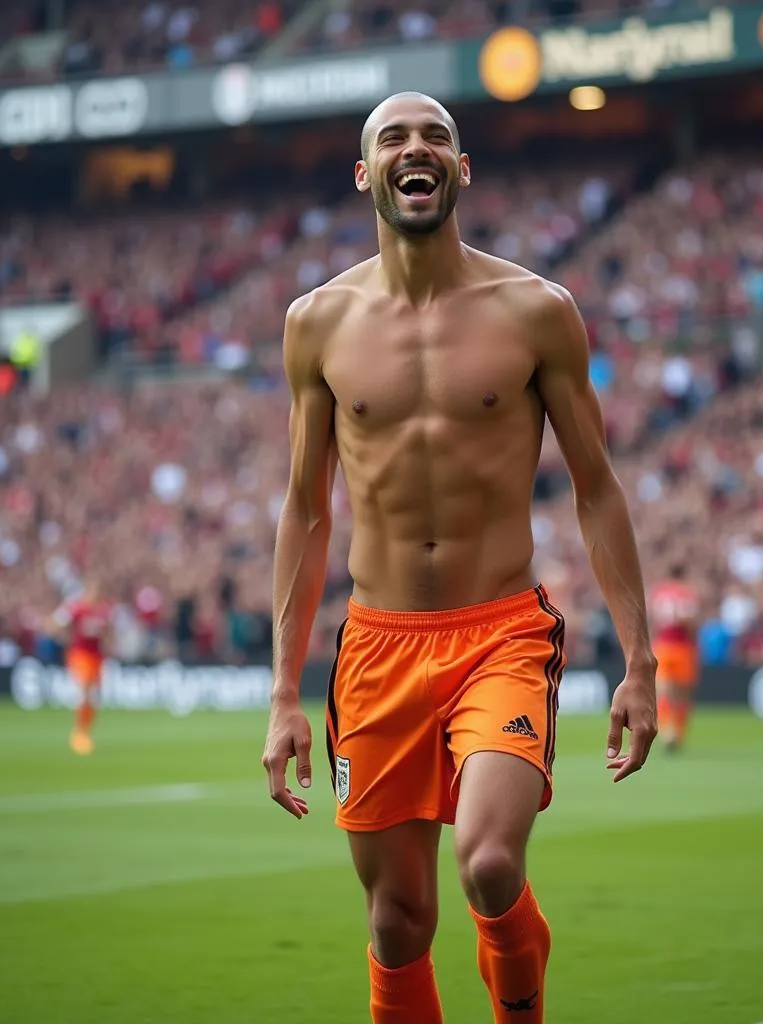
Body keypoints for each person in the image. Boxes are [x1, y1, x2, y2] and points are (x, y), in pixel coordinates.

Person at [261, 92, 658, 1024]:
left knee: (487, 861)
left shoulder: (537, 310)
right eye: (393, 139)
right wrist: (283, 691)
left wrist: (640, 663)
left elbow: (598, 487)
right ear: (366, 175)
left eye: (435, 136)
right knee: (398, 921)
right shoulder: (315, 323)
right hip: (376, 648)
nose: (416, 149)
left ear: (461, 168)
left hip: (501, 636)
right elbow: (305, 509)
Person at [49, 579, 112, 755]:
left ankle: (85, 731)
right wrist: (62, 638)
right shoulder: (77, 608)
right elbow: (57, 623)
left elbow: (107, 633)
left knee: (94, 696)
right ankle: (79, 734)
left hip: (96, 656)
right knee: (84, 691)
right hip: (80, 655)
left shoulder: (103, 611)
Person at [648, 564, 700, 752]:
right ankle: (677, 732)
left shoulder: (659, 592)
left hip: (662, 645)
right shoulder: (687, 593)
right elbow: (691, 622)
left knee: (663, 690)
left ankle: (666, 730)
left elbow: (653, 621)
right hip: (682, 646)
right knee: (682, 694)